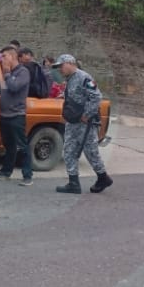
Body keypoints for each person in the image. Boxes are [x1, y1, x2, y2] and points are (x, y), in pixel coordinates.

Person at [52, 54, 112, 194]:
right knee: (69, 151)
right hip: (73, 122)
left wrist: (87, 114)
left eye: (61, 66)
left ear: (70, 63)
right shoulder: (70, 79)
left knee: (91, 152)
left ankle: (103, 177)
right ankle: (73, 183)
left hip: (85, 124)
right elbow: (76, 96)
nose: (59, 69)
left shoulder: (84, 77)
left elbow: (96, 96)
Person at [0, 45, 34, 186]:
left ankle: (27, 175)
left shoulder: (23, 72)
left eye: (4, 56)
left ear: (13, 57)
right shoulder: (6, 72)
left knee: (22, 146)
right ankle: (6, 171)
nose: (2, 59)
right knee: (9, 145)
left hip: (16, 115)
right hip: (4, 114)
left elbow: (14, 87)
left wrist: (7, 73)